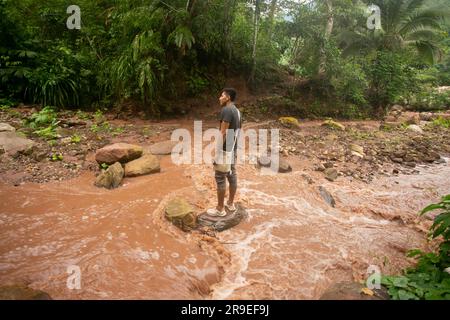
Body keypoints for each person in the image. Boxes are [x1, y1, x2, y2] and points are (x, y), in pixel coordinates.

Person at [207, 88, 241, 217]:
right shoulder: (237, 111)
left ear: (227, 97)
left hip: (225, 149)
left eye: (221, 96)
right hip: (233, 148)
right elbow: (236, 131)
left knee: (220, 177)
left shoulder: (226, 110)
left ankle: (220, 209)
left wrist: (217, 152)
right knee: (232, 175)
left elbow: (223, 132)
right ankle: (230, 204)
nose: (219, 98)